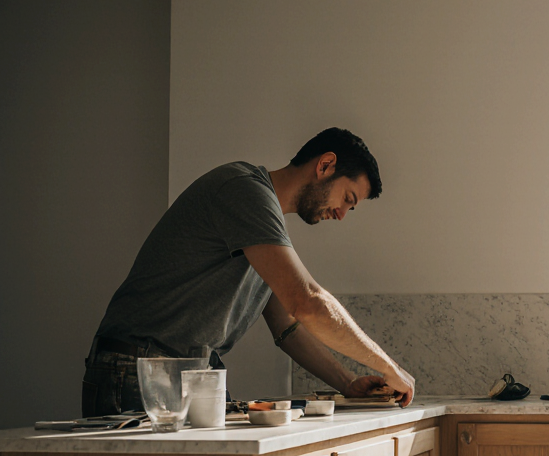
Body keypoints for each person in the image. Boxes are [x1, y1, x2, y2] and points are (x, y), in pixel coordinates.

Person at [82, 127, 416, 416]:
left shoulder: (263, 227)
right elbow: (308, 302)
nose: (341, 214)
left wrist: (348, 382)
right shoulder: (244, 190)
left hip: (184, 373)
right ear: (325, 165)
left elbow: (287, 328)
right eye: (347, 198)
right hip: (139, 370)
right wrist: (389, 367)